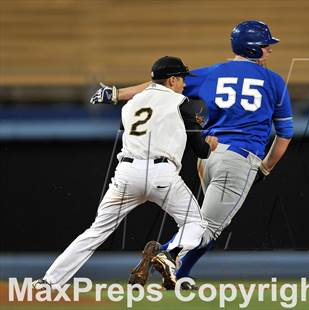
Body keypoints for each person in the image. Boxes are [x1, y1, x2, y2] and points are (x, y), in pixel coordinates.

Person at [90, 20, 293, 289]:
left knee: (205, 225)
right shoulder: (275, 82)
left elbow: (158, 88)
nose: (270, 50)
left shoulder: (213, 73)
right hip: (240, 157)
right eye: (266, 46)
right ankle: (164, 252)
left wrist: (116, 94)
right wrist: (265, 169)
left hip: (209, 156)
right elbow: (284, 135)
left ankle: (181, 273)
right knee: (207, 227)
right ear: (254, 49)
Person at [32, 56, 218, 290]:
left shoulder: (131, 104)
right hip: (162, 173)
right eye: (181, 79)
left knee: (96, 232)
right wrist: (209, 142)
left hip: (127, 173)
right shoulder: (182, 103)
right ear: (172, 80)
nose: (184, 84)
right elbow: (200, 150)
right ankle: (170, 255)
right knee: (196, 223)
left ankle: (48, 282)